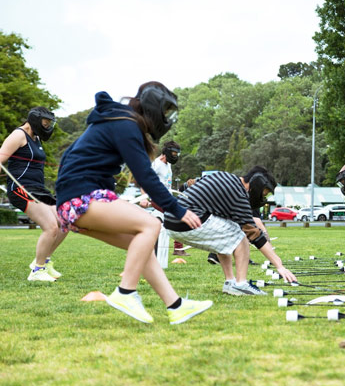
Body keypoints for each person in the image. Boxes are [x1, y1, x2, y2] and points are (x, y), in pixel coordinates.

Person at [55, 81, 212, 324]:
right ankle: (125, 292)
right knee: (151, 225)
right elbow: (145, 177)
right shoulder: (124, 124)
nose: (167, 119)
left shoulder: (118, 121)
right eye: (166, 112)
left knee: (141, 247)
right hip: (79, 199)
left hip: (74, 201)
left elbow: (71, 158)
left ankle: (176, 306)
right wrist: (177, 209)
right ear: (153, 108)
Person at [164, 166, 297, 294]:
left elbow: (191, 184)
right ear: (257, 185)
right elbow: (254, 234)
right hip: (185, 221)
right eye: (264, 194)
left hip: (171, 219)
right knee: (240, 235)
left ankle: (230, 282)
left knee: (227, 229)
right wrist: (279, 266)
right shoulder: (238, 195)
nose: (263, 199)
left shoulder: (224, 176)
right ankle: (241, 284)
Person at [0, 107, 68, 281]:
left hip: (38, 189)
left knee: (64, 221)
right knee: (51, 226)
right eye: (45, 123)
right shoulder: (18, 135)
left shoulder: (36, 138)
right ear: (35, 120)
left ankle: (44, 261)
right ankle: (37, 271)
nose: (47, 126)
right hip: (21, 189)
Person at [139, 141, 188, 256]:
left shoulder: (168, 164)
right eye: (174, 153)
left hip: (167, 198)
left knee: (159, 221)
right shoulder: (156, 165)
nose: (175, 156)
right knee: (177, 215)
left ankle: (148, 245)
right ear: (166, 152)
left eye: (177, 154)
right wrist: (143, 198)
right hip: (157, 199)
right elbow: (144, 181)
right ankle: (178, 249)